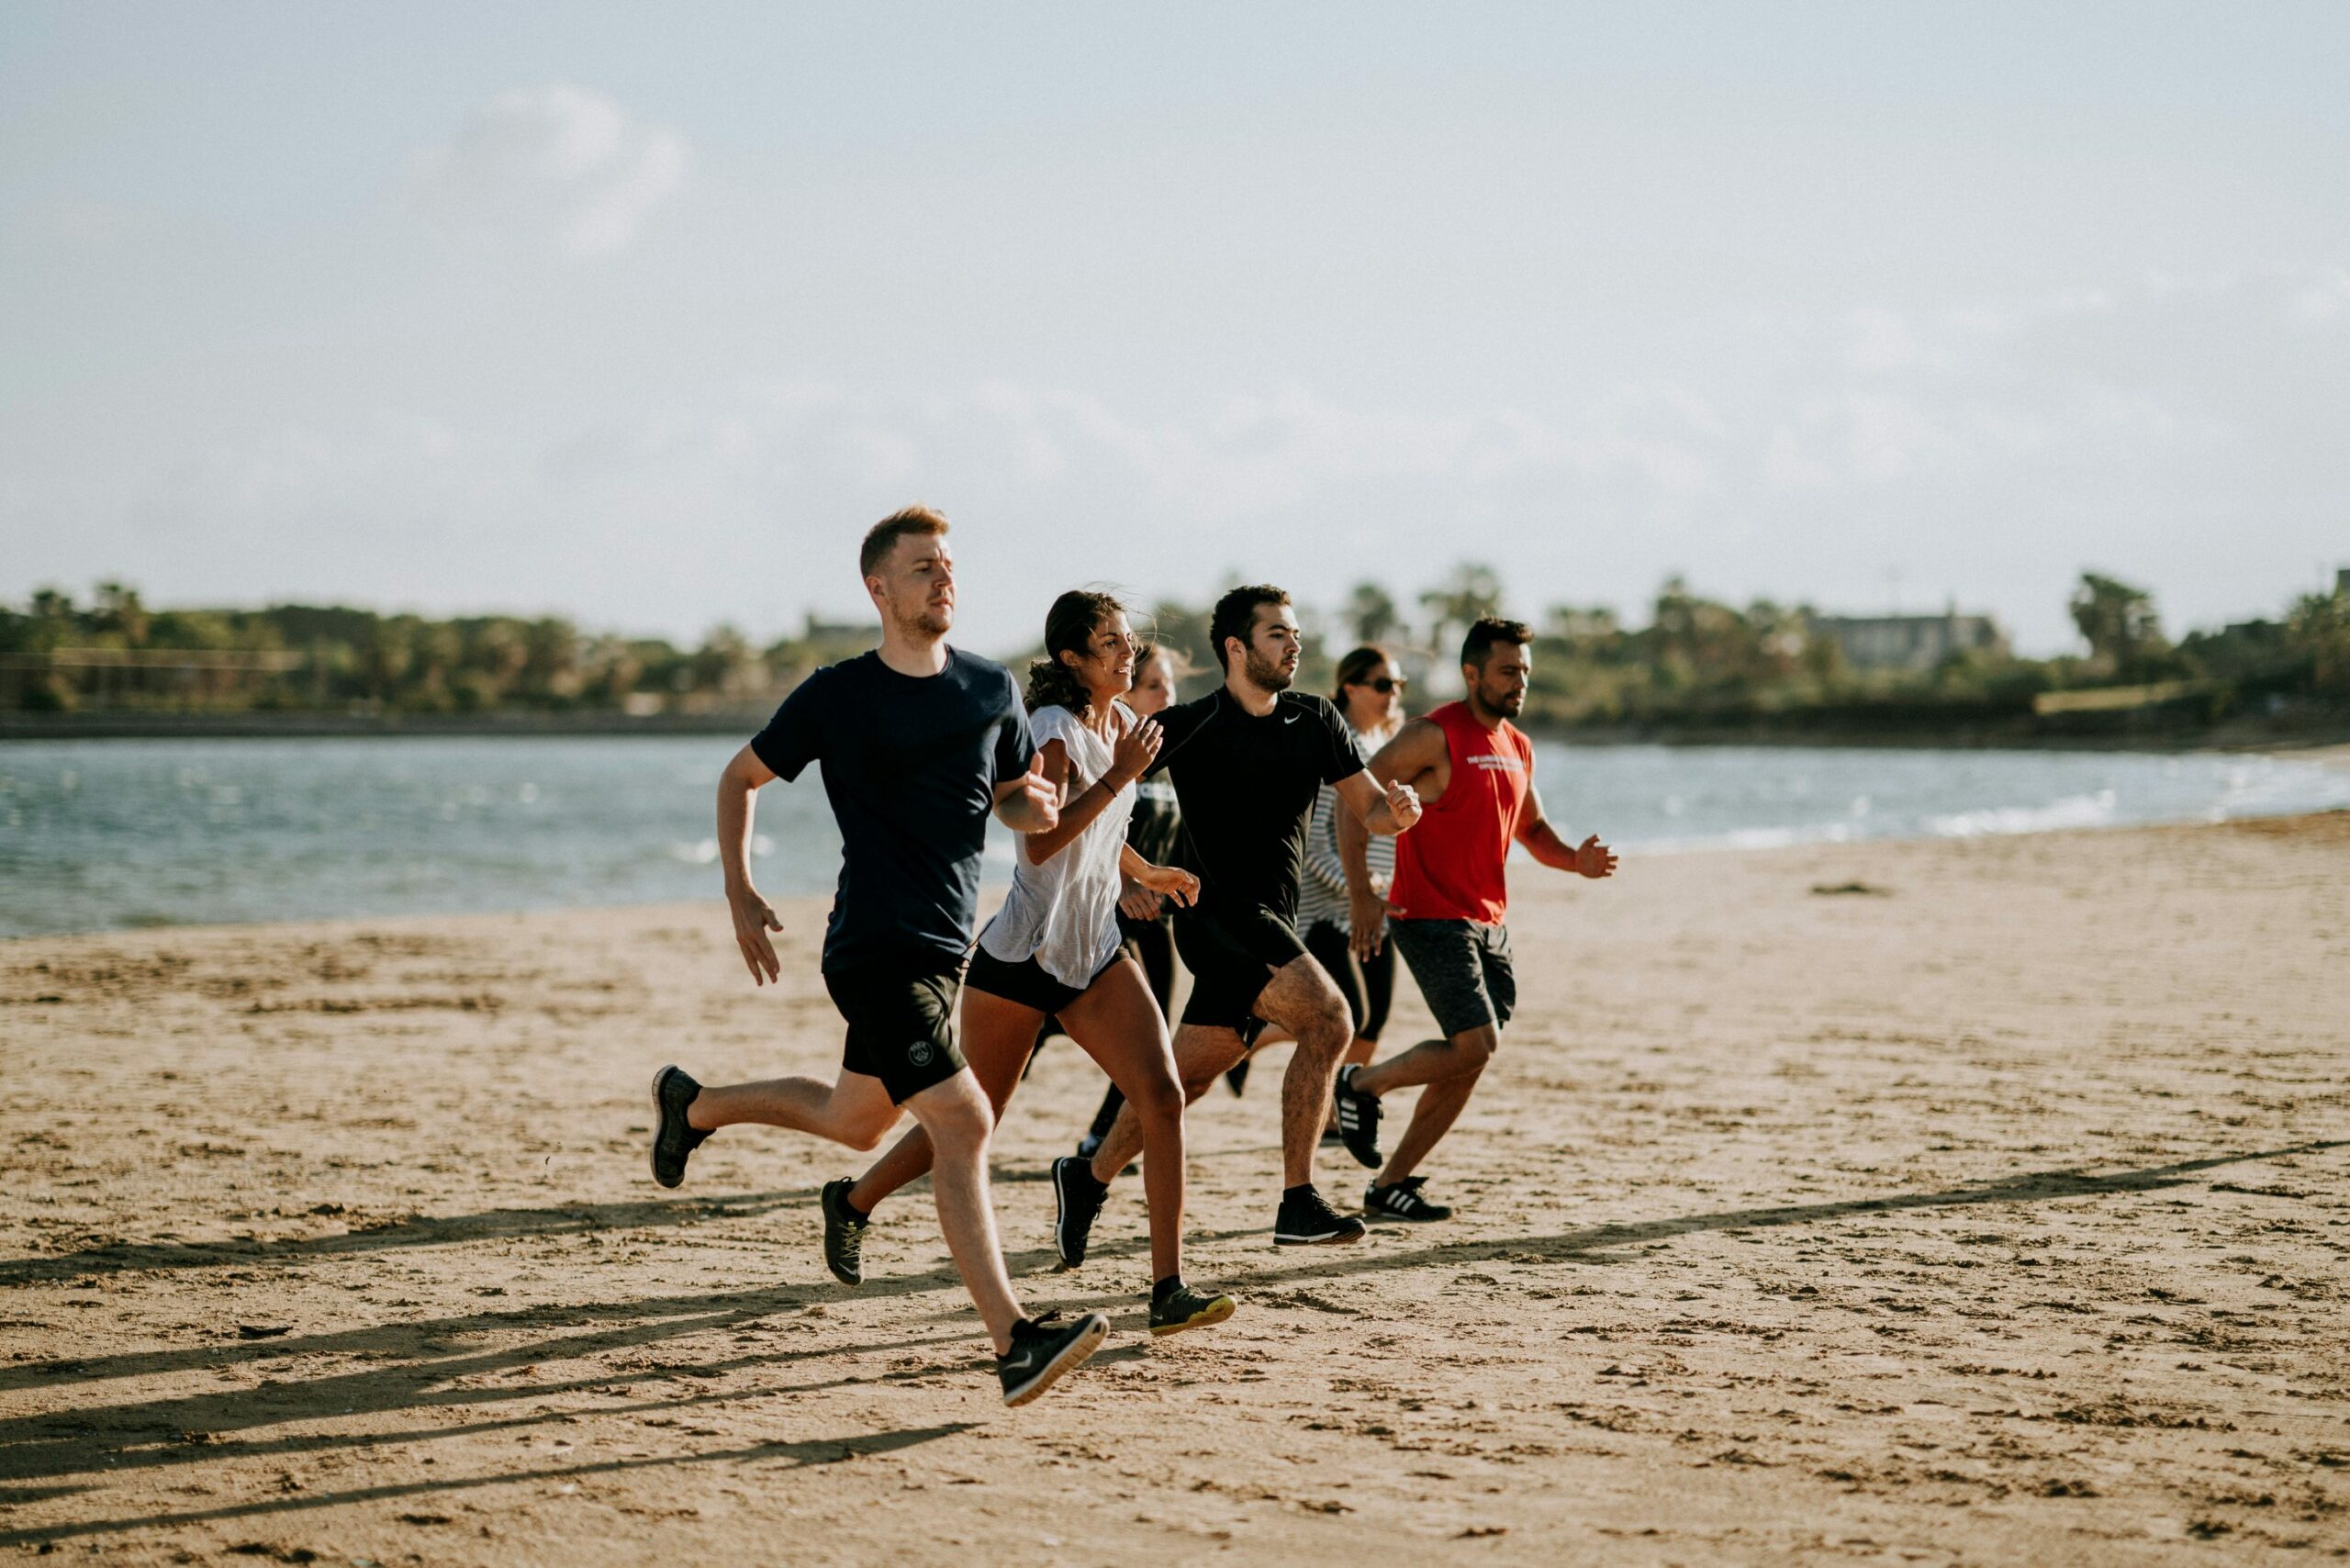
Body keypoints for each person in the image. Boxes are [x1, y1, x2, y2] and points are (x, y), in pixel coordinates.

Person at [645, 506, 1109, 1406]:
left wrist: (1037, 809)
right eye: (924, 567)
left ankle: (692, 1104)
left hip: (944, 951)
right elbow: (739, 777)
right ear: (879, 588)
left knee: (856, 1122)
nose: (944, 579)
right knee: (965, 1121)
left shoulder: (989, 688)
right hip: (871, 948)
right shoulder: (838, 692)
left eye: (948, 564)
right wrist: (738, 889)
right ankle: (1014, 1339)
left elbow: (1015, 796)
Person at [819, 592, 1237, 1338]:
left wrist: (1146, 873)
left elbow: (1099, 833)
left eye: (1127, 639)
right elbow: (1042, 842)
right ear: (1074, 659)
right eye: (1108, 643)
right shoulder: (1051, 732)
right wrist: (1121, 777)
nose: (1126, 651)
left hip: (1093, 952)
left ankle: (1167, 1289)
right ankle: (853, 1201)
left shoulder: (1120, 727)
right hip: (1021, 957)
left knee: (1162, 1097)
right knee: (975, 1118)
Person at [1052, 584, 1423, 1260]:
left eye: (1294, 633)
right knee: (1331, 1018)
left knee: (1184, 1081)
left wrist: (1397, 813)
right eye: (1278, 634)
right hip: (1216, 914)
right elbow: (1098, 802)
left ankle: (1087, 1176)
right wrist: (1128, 880)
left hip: (1270, 919)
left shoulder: (1315, 720)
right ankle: (1297, 1200)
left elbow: (1368, 809)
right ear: (1236, 647)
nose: (1294, 645)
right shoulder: (1190, 723)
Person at [1331, 616, 1617, 1221]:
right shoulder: (1432, 735)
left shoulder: (1518, 745)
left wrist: (1577, 862)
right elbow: (1352, 801)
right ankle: (1361, 1085)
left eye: (1525, 673)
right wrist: (1360, 892)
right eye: (1508, 671)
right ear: (1472, 673)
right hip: (1429, 914)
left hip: (1490, 922)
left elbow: (1532, 831)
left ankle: (1390, 1186)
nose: (1520, 683)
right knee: (1475, 1042)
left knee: (1472, 1056)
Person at [1294, 645, 1411, 1150]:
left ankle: (1340, 1108)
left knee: (1376, 1015)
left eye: (1399, 686)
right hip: (1326, 911)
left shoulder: (1386, 745)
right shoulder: (1336, 747)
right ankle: (1322, 1111)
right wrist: (1359, 891)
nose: (1394, 695)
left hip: (1376, 906)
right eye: (1383, 684)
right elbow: (1314, 843)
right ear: (1350, 687)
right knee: (1348, 1015)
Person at [1076, 642, 1188, 1159]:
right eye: (1154, 686)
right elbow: (1087, 827)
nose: (1167, 695)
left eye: (1170, 685)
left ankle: (1103, 1131)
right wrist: (1124, 885)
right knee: (1125, 1032)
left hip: (1156, 919)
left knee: (1153, 1033)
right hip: (1110, 915)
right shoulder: (1115, 753)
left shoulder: (1170, 757)